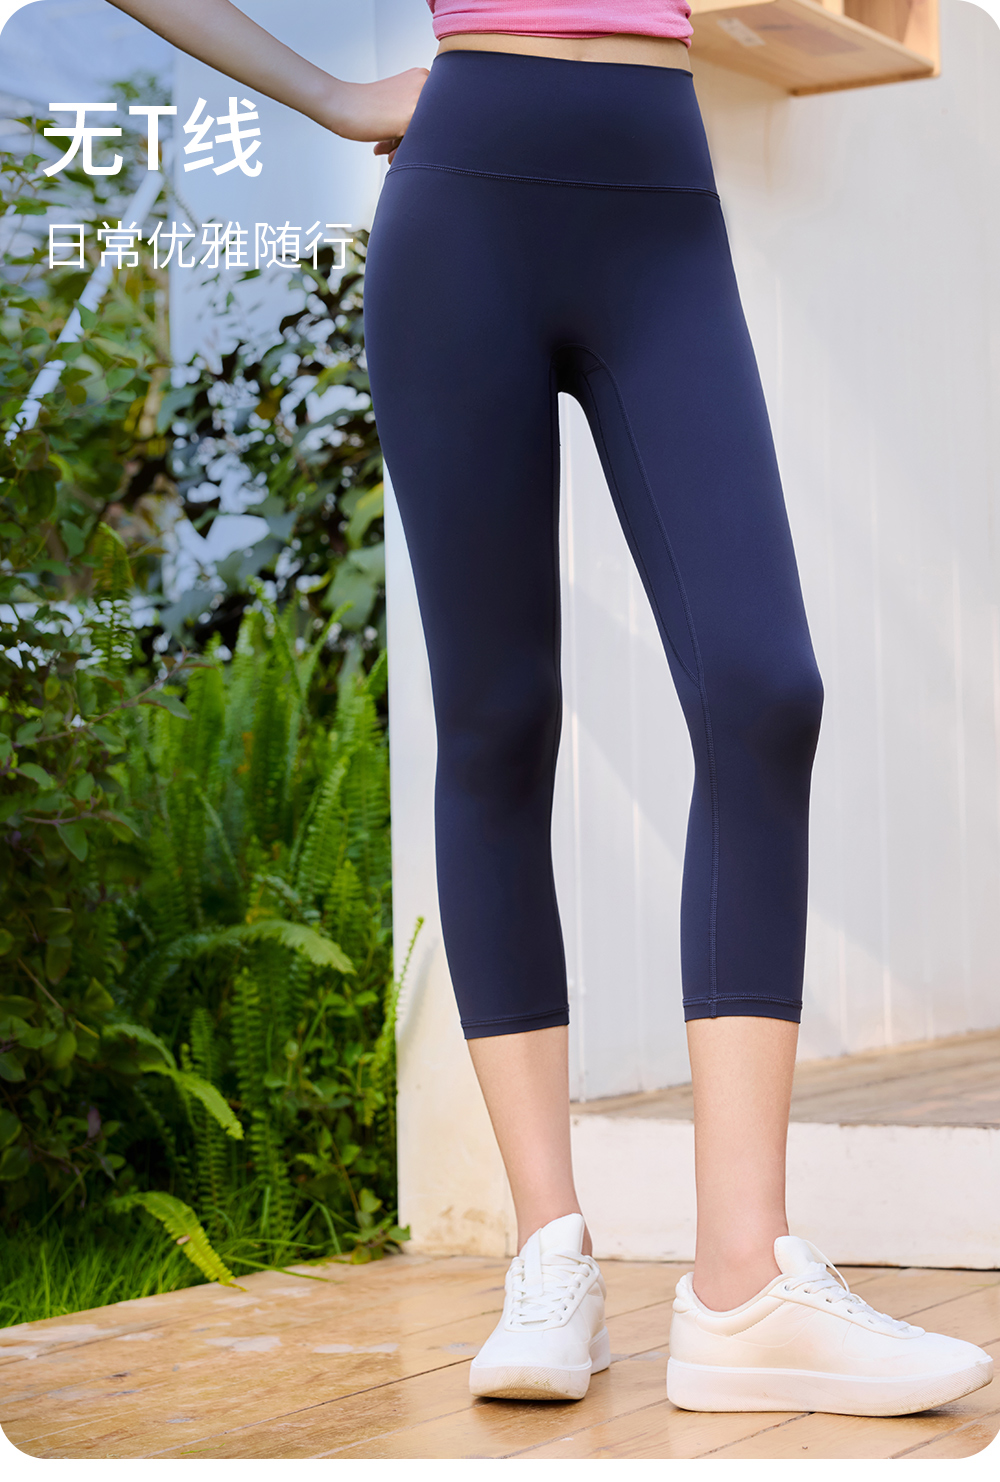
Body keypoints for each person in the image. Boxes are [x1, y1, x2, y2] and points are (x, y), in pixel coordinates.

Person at [109, 0, 992, 1419]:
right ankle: (548, 1251)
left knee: (766, 690)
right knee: (498, 719)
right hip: (463, 200)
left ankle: (742, 1283)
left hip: (660, 195)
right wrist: (328, 95)